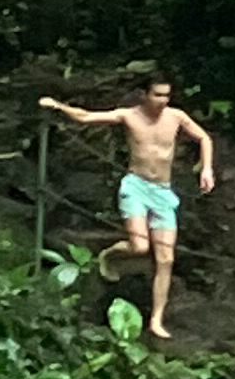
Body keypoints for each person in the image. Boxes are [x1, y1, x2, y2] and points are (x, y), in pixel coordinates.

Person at [42, 71, 214, 343]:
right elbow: (87, 117)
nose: (162, 100)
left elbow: (204, 138)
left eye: (166, 95)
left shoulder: (176, 117)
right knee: (140, 247)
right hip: (135, 187)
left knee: (166, 259)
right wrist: (58, 107)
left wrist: (206, 169)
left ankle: (157, 319)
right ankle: (111, 254)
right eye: (157, 95)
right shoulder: (129, 116)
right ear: (145, 95)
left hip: (163, 192)